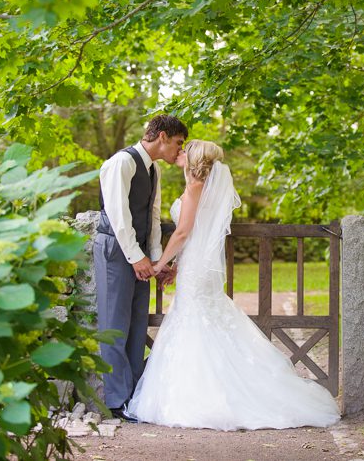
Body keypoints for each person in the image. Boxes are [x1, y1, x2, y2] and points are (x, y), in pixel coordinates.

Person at [126, 140, 341, 430]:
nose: (180, 152)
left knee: (196, 321)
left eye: (185, 150)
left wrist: (159, 263)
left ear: (194, 159)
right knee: (202, 320)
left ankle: (201, 396)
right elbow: (198, 233)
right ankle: (208, 389)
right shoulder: (204, 188)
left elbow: (183, 233)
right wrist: (177, 265)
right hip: (197, 263)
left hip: (197, 267)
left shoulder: (195, 188)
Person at [93, 115, 187, 422]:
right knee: (114, 325)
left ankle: (133, 397)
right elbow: (118, 214)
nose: (179, 150)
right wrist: (136, 257)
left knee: (136, 326)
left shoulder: (154, 169)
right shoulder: (121, 162)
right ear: (162, 136)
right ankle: (116, 401)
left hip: (141, 254)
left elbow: (153, 216)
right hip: (116, 251)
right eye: (178, 143)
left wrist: (157, 259)